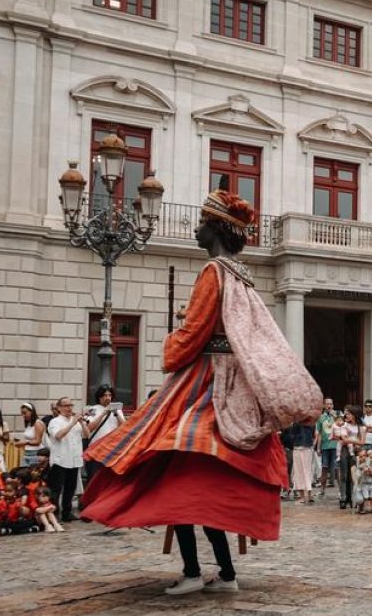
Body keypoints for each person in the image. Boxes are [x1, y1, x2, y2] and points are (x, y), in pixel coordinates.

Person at [81, 189, 321, 596]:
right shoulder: (239, 273)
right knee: (198, 486)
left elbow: (194, 332)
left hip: (206, 382)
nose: (194, 228)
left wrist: (172, 347)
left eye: (201, 221)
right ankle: (223, 572)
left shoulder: (214, 272)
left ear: (214, 228)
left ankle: (196, 571)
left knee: (181, 479)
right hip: (225, 380)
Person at [45, 397, 86, 523]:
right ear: (59, 408)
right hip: (60, 460)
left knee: (70, 488)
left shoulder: (76, 422)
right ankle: (54, 513)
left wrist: (83, 422)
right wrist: (72, 423)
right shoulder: (55, 422)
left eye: (71, 405)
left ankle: (67, 513)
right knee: (56, 489)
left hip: (74, 459)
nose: (69, 408)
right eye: (66, 405)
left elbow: (87, 435)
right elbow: (58, 435)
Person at [83, 388, 126, 484]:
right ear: (99, 397)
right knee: (94, 475)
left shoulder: (118, 410)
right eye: (105, 395)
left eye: (109, 395)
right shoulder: (92, 409)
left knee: (109, 476)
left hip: (111, 448)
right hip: (96, 448)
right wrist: (103, 413)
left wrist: (116, 413)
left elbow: (124, 426)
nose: (108, 398)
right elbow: (89, 427)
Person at [284, 421, 316, 505]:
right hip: (308, 446)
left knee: (299, 471)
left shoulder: (296, 421)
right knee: (307, 470)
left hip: (298, 446)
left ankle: (302, 497)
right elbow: (313, 434)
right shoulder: (311, 421)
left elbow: (292, 436)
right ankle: (308, 495)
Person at [314, 399, 338, 497]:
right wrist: (318, 447)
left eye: (331, 404)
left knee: (337, 468)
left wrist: (335, 416)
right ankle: (322, 489)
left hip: (335, 445)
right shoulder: (321, 417)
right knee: (324, 468)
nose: (329, 405)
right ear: (324, 405)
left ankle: (341, 491)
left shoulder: (337, 415)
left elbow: (342, 426)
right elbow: (319, 433)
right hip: (325, 446)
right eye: (327, 404)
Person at [14, 403, 46, 467]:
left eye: (25, 413)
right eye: (22, 414)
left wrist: (24, 442)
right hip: (27, 453)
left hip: (36, 454)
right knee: (22, 474)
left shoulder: (38, 423)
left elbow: (38, 441)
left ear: (31, 411)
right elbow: (30, 439)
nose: (23, 415)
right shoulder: (29, 424)